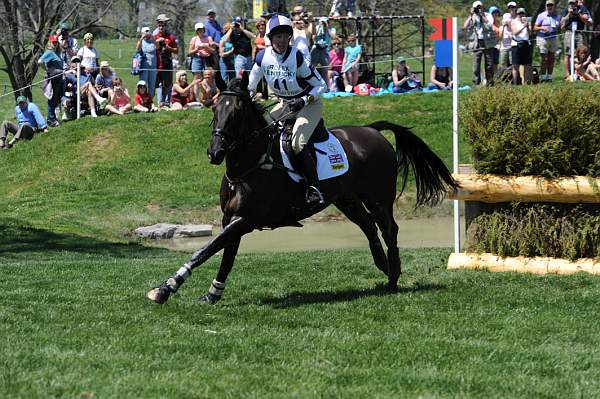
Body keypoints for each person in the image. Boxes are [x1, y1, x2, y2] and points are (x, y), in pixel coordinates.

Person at [248, 14, 327, 205]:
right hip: (284, 104)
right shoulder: (262, 57)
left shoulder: (297, 57)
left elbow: (321, 85)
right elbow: (250, 87)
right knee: (258, 131)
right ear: (270, 38)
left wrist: (303, 100)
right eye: (277, 36)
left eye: (285, 36)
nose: (282, 41)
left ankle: (313, 188)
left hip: (308, 105)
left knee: (297, 144)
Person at [464, 1, 496, 85]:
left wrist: (483, 16)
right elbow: (465, 26)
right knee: (476, 64)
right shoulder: (472, 16)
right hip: (476, 42)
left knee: (489, 63)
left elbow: (490, 26)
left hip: (487, 42)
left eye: (480, 7)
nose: (479, 9)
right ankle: (476, 83)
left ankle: (490, 82)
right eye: (477, 8)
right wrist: (470, 15)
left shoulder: (488, 15)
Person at [560, 0, 592, 79]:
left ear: (576, 2)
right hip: (569, 32)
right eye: (570, 3)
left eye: (573, 2)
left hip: (579, 32)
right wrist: (569, 14)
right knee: (568, 53)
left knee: (581, 53)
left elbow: (586, 19)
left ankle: (578, 73)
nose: (572, 4)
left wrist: (578, 13)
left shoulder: (582, 8)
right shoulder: (566, 10)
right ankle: (568, 75)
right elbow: (562, 22)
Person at [38, 34, 64, 127]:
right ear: (50, 42)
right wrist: (46, 69)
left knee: (58, 97)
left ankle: (54, 117)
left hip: (60, 78)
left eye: (56, 42)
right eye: (54, 42)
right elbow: (40, 61)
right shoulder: (49, 52)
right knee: (52, 99)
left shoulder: (57, 52)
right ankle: (51, 120)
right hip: (54, 78)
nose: (55, 44)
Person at [154, 14, 178, 106]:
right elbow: (152, 48)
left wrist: (168, 48)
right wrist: (157, 43)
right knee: (157, 83)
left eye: (163, 25)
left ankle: (166, 101)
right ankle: (159, 102)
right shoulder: (155, 36)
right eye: (159, 25)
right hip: (157, 62)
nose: (161, 27)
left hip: (167, 61)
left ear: (165, 26)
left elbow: (176, 50)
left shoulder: (170, 37)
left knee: (167, 83)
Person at [534, 0, 560, 82]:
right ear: (546, 6)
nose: (550, 7)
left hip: (553, 38)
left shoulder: (557, 16)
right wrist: (542, 28)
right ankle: (542, 77)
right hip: (543, 39)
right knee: (544, 59)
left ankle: (549, 77)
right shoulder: (541, 15)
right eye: (548, 5)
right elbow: (535, 28)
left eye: (551, 5)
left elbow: (559, 28)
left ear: (554, 6)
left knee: (551, 58)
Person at [189, 22, 215, 99]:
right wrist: (197, 49)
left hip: (207, 58)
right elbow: (190, 52)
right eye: (198, 30)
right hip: (197, 58)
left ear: (204, 29)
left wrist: (206, 47)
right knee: (197, 78)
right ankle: (196, 98)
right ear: (196, 31)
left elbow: (213, 51)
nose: (200, 31)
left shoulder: (209, 38)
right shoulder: (194, 39)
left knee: (208, 77)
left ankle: (208, 97)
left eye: (202, 29)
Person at [511, 7, 532, 84]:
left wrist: (527, 26)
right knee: (515, 65)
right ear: (517, 14)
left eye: (522, 13)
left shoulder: (527, 21)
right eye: (519, 13)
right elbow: (514, 32)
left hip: (526, 44)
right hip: (516, 45)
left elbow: (530, 33)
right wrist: (523, 26)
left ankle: (526, 83)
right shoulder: (513, 22)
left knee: (527, 65)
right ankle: (515, 83)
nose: (521, 15)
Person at [136, 27, 158, 98]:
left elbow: (157, 47)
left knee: (152, 84)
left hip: (153, 66)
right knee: (143, 83)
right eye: (145, 32)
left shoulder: (153, 41)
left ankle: (150, 100)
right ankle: (142, 99)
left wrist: (153, 38)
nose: (147, 34)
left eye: (148, 32)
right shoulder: (141, 42)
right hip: (144, 66)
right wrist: (141, 38)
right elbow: (138, 49)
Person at [311, 17, 332, 91]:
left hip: (324, 50)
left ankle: (327, 88)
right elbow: (313, 38)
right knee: (312, 69)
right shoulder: (317, 28)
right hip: (316, 49)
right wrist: (319, 27)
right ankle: (312, 87)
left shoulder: (331, 29)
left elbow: (332, 37)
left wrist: (326, 28)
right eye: (322, 22)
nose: (323, 24)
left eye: (324, 22)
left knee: (325, 71)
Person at [253, 19, 269, 100]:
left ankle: (266, 95)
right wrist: (253, 57)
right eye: (259, 25)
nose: (261, 26)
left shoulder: (268, 35)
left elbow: (270, 47)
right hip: (258, 59)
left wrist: (261, 47)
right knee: (258, 77)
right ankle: (259, 94)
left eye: (262, 24)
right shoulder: (257, 35)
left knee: (266, 78)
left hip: (266, 58)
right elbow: (255, 47)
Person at [489, 6, 502, 78]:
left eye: (496, 12)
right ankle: (486, 78)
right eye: (493, 12)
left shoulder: (498, 22)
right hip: (490, 45)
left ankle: (494, 78)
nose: (495, 14)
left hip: (497, 45)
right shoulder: (489, 23)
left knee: (495, 63)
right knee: (489, 63)